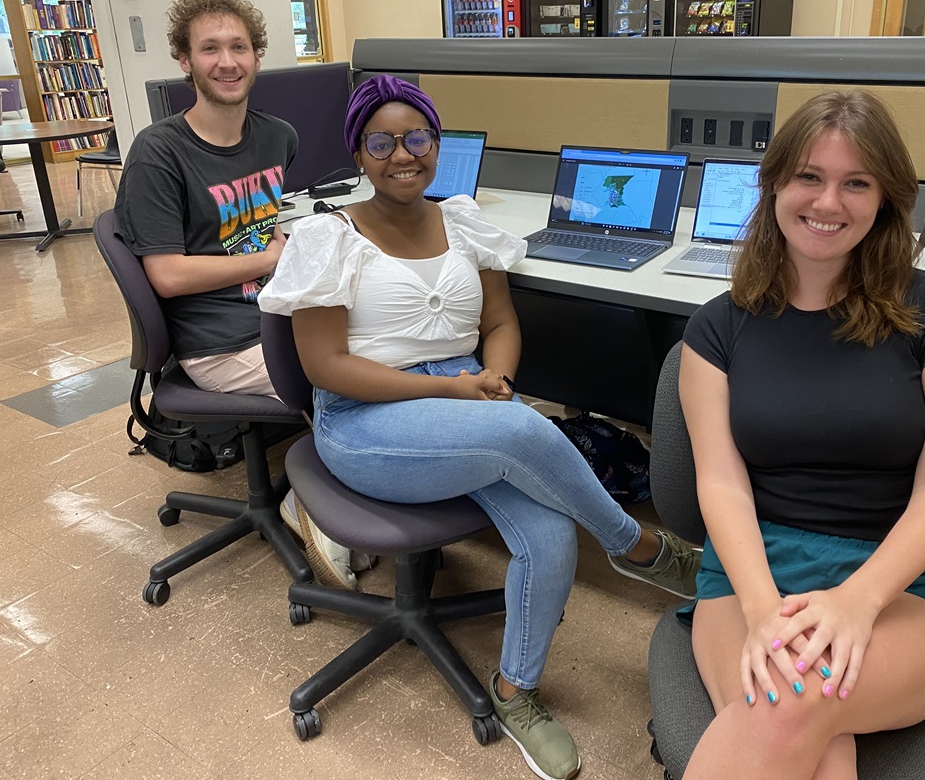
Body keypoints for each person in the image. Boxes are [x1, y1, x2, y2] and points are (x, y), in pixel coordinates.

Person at [259, 74, 701, 780]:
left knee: (550, 533)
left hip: (467, 403)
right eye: (381, 143)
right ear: (359, 153)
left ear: (437, 143)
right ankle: (636, 544)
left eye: (417, 138)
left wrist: (493, 376)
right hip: (363, 422)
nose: (402, 155)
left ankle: (515, 691)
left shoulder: (462, 220)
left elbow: (499, 322)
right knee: (521, 432)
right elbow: (325, 367)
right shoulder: (327, 236)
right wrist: (464, 392)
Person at [676, 89, 925, 780]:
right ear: (774, 184)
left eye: (857, 183)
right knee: (809, 732)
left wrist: (858, 601)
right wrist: (763, 608)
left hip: (895, 583)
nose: (828, 202)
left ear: (886, 197)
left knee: (793, 705)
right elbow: (721, 482)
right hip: (749, 575)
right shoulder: (716, 327)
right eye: (809, 176)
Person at [113, 0, 369, 590]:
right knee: (353, 380)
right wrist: (270, 256)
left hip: (277, 310)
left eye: (239, 47)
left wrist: (289, 242)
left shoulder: (278, 137)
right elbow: (167, 274)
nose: (227, 62)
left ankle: (364, 486)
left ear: (257, 56)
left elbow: (255, 221)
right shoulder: (160, 152)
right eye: (210, 49)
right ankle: (311, 503)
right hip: (219, 339)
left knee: (388, 337)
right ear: (185, 60)